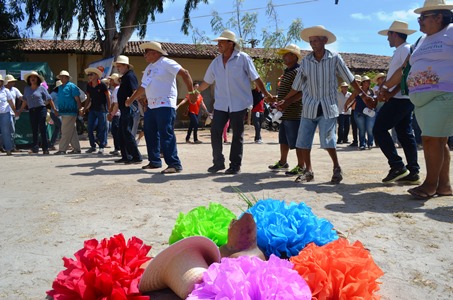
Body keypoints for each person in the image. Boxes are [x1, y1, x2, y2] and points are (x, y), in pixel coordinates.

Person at [281, 26, 368, 184]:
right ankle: (308, 171)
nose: (313, 44)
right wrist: (285, 101)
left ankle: (336, 167)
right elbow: (296, 86)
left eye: (316, 40)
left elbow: (349, 78)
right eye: (311, 41)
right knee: (303, 141)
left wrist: (364, 94)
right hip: (309, 106)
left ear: (324, 41)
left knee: (328, 140)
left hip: (328, 107)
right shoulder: (306, 62)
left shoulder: (334, 58)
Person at [197, 30, 272, 175]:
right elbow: (207, 81)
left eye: (221, 42)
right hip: (221, 104)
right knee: (215, 131)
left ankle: (235, 165)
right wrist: (196, 92)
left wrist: (266, 94)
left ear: (231, 44)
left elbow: (255, 78)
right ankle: (218, 162)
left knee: (237, 134)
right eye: (218, 42)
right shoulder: (216, 62)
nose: (218, 45)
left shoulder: (243, 58)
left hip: (239, 103)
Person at [406, 0, 453, 199]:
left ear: (438, 17)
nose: (420, 21)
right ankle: (444, 186)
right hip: (423, 99)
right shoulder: (421, 40)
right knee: (439, 140)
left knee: (431, 139)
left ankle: (430, 184)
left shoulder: (450, 31)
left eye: (423, 17)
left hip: (444, 94)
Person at [126, 42, 197, 173]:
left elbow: (185, 73)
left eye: (146, 52)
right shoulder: (148, 68)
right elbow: (143, 87)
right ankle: (154, 161)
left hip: (165, 104)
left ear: (155, 52)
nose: (144, 55)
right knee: (149, 133)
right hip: (152, 106)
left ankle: (174, 164)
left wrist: (192, 92)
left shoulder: (166, 62)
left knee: (166, 133)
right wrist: (131, 99)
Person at [375, 20, 420, 184]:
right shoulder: (401, 50)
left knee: (379, 129)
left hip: (401, 99)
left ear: (394, 34)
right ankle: (413, 171)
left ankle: (397, 166)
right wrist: (390, 92)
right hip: (402, 98)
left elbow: (405, 74)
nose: (387, 39)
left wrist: (388, 91)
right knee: (405, 134)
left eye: (388, 35)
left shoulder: (405, 49)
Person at [267, 44, 306, 179]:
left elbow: (301, 92)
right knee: (283, 139)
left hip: (295, 111)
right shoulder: (287, 71)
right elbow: (286, 92)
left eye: (286, 54)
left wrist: (287, 102)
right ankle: (283, 162)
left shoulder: (298, 71)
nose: (284, 57)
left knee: (296, 141)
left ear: (294, 56)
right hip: (284, 111)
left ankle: (302, 166)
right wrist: (276, 99)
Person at [17, 71, 56, 155]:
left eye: (34, 77)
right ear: (29, 80)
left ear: (37, 79)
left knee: (42, 128)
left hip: (41, 109)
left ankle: (45, 148)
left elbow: (49, 99)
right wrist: (20, 110)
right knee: (34, 129)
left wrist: (55, 109)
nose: (33, 79)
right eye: (31, 77)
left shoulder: (41, 88)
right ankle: (35, 148)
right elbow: (25, 100)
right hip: (32, 110)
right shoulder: (26, 88)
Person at [113, 55, 142, 164]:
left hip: (129, 108)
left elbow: (135, 91)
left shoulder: (130, 76)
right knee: (121, 133)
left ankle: (136, 156)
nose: (118, 68)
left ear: (126, 66)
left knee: (127, 132)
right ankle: (126, 156)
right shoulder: (125, 76)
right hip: (124, 108)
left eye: (119, 66)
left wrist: (130, 101)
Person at [80, 66, 110, 154]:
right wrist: (85, 109)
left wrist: (109, 108)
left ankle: (101, 146)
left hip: (102, 109)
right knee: (89, 128)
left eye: (91, 74)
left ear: (96, 75)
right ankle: (92, 146)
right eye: (88, 75)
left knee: (102, 128)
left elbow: (108, 97)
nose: (89, 76)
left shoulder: (102, 85)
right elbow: (88, 98)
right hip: (92, 109)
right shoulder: (88, 86)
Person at [53, 70, 82, 155]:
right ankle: (77, 148)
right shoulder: (61, 87)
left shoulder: (72, 86)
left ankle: (62, 149)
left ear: (67, 78)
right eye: (60, 77)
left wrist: (79, 109)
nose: (61, 78)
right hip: (64, 112)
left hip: (70, 111)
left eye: (63, 77)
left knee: (65, 130)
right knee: (71, 131)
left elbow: (77, 99)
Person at [344, 76, 377, 150]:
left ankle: (370, 143)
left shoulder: (371, 91)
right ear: (363, 82)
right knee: (361, 129)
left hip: (369, 112)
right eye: (367, 81)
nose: (369, 82)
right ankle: (362, 144)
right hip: (359, 112)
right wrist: (346, 105)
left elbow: (375, 100)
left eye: (369, 81)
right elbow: (351, 98)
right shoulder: (357, 91)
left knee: (370, 129)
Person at [4, 74, 23, 152]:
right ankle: (6, 146)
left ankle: (11, 147)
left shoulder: (15, 89)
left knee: (12, 130)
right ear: (7, 83)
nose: (13, 83)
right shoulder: (3, 90)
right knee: (5, 131)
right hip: (4, 112)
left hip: (12, 112)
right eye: (11, 82)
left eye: (13, 82)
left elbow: (21, 97)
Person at [0, 74, 15, 155]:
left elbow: (11, 102)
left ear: (2, 82)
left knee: (6, 132)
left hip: (5, 113)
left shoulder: (6, 91)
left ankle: (8, 149)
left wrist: (15, 111)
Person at [107, 73, 121, 156]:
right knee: (115, 132)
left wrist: (111, 114)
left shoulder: (116, 89)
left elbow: (116, 104)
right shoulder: (116, 89)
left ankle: (118, 148)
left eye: (111, 80)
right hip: (116, 113)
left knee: (116, 132)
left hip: (117, 114)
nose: (110, 81)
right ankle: (117, 148)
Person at [49, 80, 63, 150]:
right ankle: (65, 143)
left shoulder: (62, 94)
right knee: (62, 127)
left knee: (57, 129)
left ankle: (51, 144)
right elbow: (49, 99)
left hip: (60, 114)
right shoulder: (54, 93)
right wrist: (54, 109)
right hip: (54, 113)